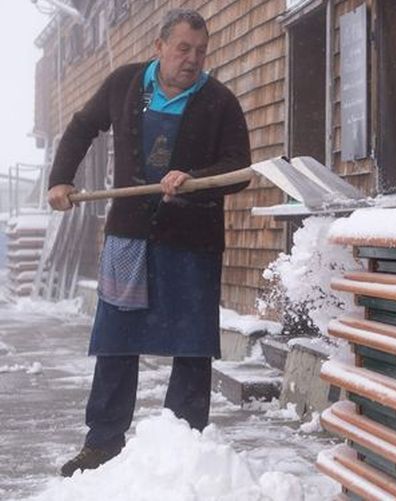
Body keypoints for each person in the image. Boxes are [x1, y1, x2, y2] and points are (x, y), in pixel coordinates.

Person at [47, 9, 250, 477]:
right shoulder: (124, 84)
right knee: (116, 339)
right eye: (183, 48)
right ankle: (102, 443)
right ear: (158, 46)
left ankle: (186, 446)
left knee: (192, 344)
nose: (192, 58)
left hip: (193, 240)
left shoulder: (219, 101)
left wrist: (194, 178)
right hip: (129, 235)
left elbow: (239, 167)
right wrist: (60, 179)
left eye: (200, 51)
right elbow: (81, 126)